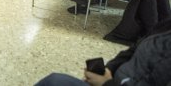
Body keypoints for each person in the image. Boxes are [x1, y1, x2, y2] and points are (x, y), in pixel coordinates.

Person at [35, 18, 171, 86]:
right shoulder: (167, 25)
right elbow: (134, 49)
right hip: (112, 79)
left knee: (54, 81)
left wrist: (106, 83)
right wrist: (108, 70)